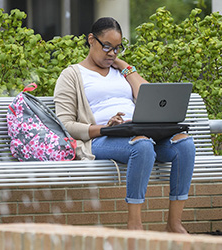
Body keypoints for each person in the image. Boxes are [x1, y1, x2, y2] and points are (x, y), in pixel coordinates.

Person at [53, 17, 195, 234]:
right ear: (91, 40)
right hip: (102, 138)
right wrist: (104, 127)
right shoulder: (72, 75)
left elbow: (150, 98)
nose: (112, 53)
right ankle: (134, 226)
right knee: (142, 146)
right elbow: (66, 124)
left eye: (118, 48)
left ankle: (174, 224)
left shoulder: (121, 71)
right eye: (107, 47)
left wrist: (126, 67)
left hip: (139, 131)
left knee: (184, 144)